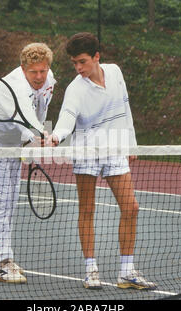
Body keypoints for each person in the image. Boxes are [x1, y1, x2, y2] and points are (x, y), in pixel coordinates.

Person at [47, 32, 157, 290]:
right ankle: (91, 270)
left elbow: (125, 107)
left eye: (82, 61)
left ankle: (126, 272)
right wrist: (56, 137)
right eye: (74, 63)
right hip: (86, 150)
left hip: (115, 147)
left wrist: (131, 141)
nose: (78, 68)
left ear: (97, 57)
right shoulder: (75, 88)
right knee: (87, 210)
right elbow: (67, 119)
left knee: (131, 208)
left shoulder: (116, 73)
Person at [0, 43, 56, 283]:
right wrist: (40, 138)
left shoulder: (49, 79)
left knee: (11, 195)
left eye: (43, 70)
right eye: (33, 72)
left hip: (13, 136)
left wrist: (35, 145)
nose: (39, 77)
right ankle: (1, 262)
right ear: (23, 68)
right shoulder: (14, 89)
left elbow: (40, 113)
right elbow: (27, 122)